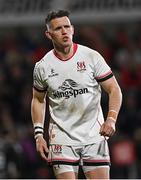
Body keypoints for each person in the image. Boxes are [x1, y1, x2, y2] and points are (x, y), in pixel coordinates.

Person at [31, 10, 122, 179]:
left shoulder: (91, 57)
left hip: (94, 136)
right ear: (48, 34)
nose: (64, 31)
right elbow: (38, 99)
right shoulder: (42, 66)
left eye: (67, 27)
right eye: (58, 28)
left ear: (73, 29)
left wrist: (111, 119)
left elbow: (114, 89)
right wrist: (38, 135)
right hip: (61, 138)